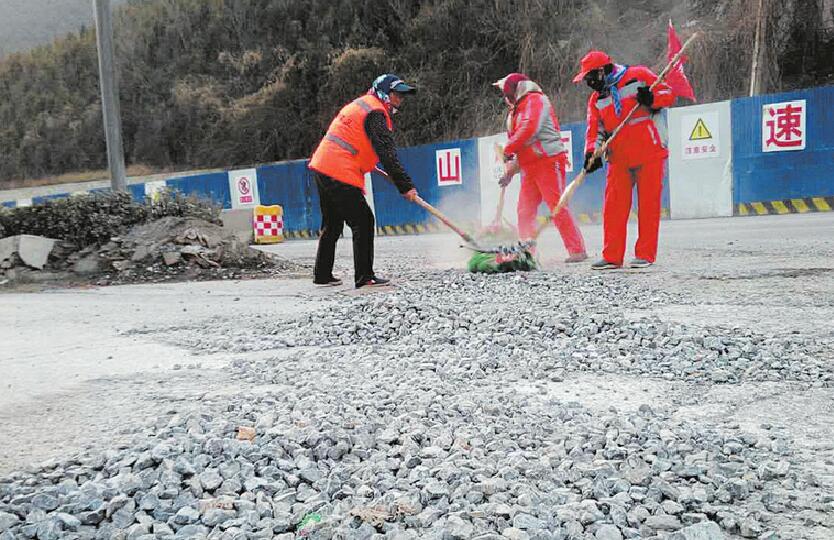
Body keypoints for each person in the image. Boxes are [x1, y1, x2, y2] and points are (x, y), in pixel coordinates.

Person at [308, 74, 419, 288]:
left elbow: (353, 141)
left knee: (332, 225)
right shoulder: (376, 113)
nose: (400, 100)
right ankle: (364, 277)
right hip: (339, 170)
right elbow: (387, 154)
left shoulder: (361, 105)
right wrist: (405, 186)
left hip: (323, 166)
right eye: (397, 94)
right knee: (363, 221)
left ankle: (322, 275)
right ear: (385, 93)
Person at [574, 50, 674, 270]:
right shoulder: (596, 100)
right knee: (613, 208)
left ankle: (645, 254)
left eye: (589, 78)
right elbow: (595, 130)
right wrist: (592, 152)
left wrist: (653, 99)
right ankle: (612, 256)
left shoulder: (639, 75)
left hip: (650, 152)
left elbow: (668, 93)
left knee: (649, 206)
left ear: (601, 71)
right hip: (618, 158)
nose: (588, 84)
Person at [493, 73, 587, 263]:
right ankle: (527, 252)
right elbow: (522, 149)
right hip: (529, 166)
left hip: (548, 161)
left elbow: (529, 130)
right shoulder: (516, 111)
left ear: (514, 89)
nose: (504, 96)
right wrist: (509, 172)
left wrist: (508, 150)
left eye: (505, 91)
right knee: (524, 211)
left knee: (557, 206)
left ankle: (577, 249)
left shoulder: (535, 100)